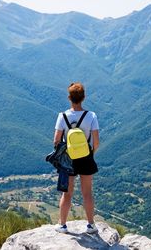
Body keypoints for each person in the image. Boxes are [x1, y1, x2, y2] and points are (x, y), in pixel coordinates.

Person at [53, 82, 100, 234]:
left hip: (69, 158)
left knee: (67, 193)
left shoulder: (62, 116)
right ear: (83, 97)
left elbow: (56, 140)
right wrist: (90, 153)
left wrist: (63, 155)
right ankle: (91, 225)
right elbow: (96, 141)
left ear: (69, 97)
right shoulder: (91, 116)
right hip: (86, 157)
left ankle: (63, 225)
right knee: (87, 193)